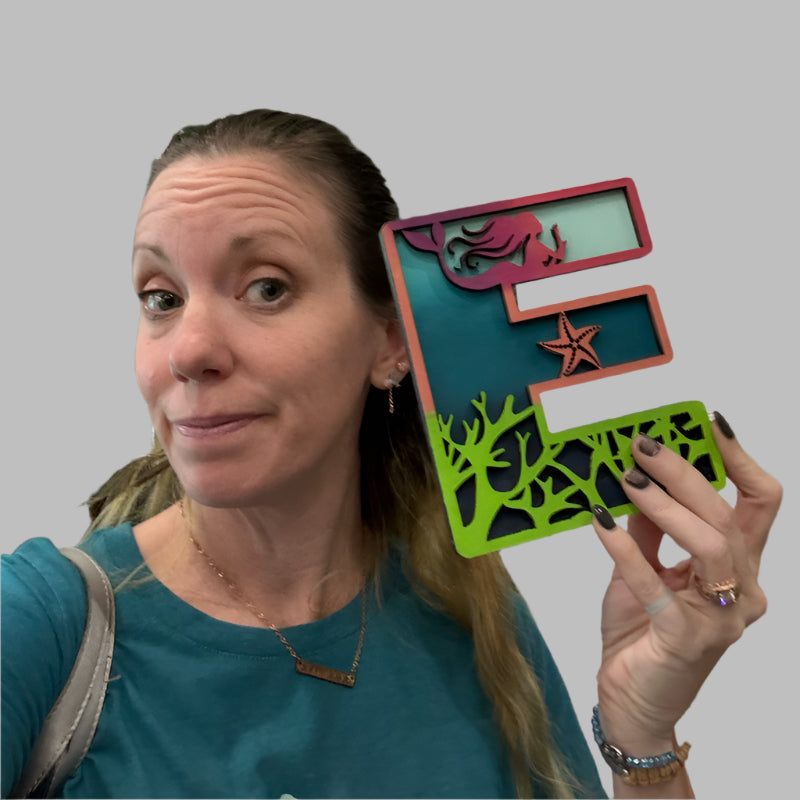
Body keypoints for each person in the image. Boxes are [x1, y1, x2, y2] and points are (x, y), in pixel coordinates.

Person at [1, 109, 782, 799]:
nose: (189, 350)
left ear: (389, 341)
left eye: (266, 288)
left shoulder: (466, 604)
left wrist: (643, 733)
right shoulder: (34, 624)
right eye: (161, 298)